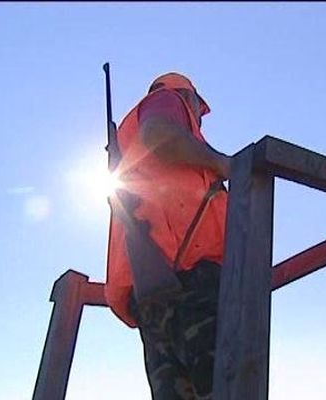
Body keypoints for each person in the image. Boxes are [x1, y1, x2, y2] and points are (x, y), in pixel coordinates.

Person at [104, 72, 231, 400]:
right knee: (227, 387)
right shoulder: (167, 100)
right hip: (190, 281)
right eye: (197, 109)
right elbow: (160, 135)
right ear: (188, 96)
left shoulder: (128, 147)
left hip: (150, 293)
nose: (198, 120)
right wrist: (222, 163)